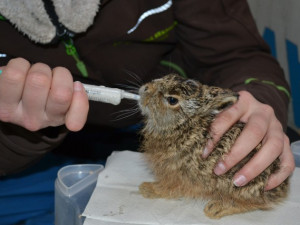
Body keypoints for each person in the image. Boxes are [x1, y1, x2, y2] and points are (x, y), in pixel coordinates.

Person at [0, 0, 295, 223]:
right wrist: (16, 133)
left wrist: (259, 98)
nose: (146, 89)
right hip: (32, 150)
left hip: (139, 126)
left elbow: (236, 53)